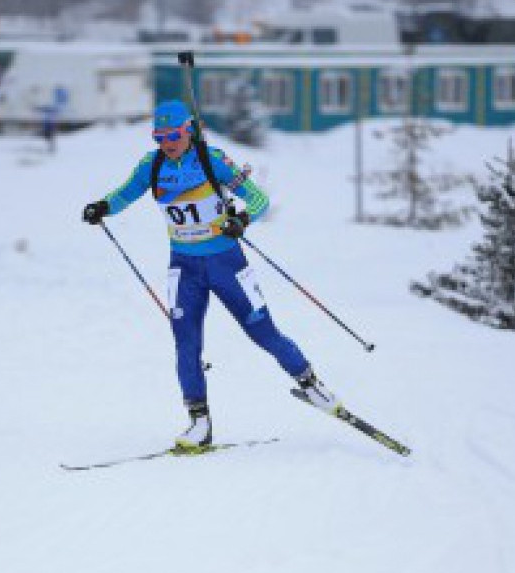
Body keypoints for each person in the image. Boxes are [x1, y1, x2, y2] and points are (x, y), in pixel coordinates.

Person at [81, 100, 339, 450]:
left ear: (188, 130)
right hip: (183, 268)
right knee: (186, 344)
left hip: (226, 264)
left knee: (262, 331)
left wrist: (241, 220)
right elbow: (125, 193)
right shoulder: (152, 165)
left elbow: (259, 199)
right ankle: (199, 423)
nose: (167, 143)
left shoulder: (211, 159)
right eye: (159, 137)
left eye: (173, 135)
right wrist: (103, 207)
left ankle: (311, 384)